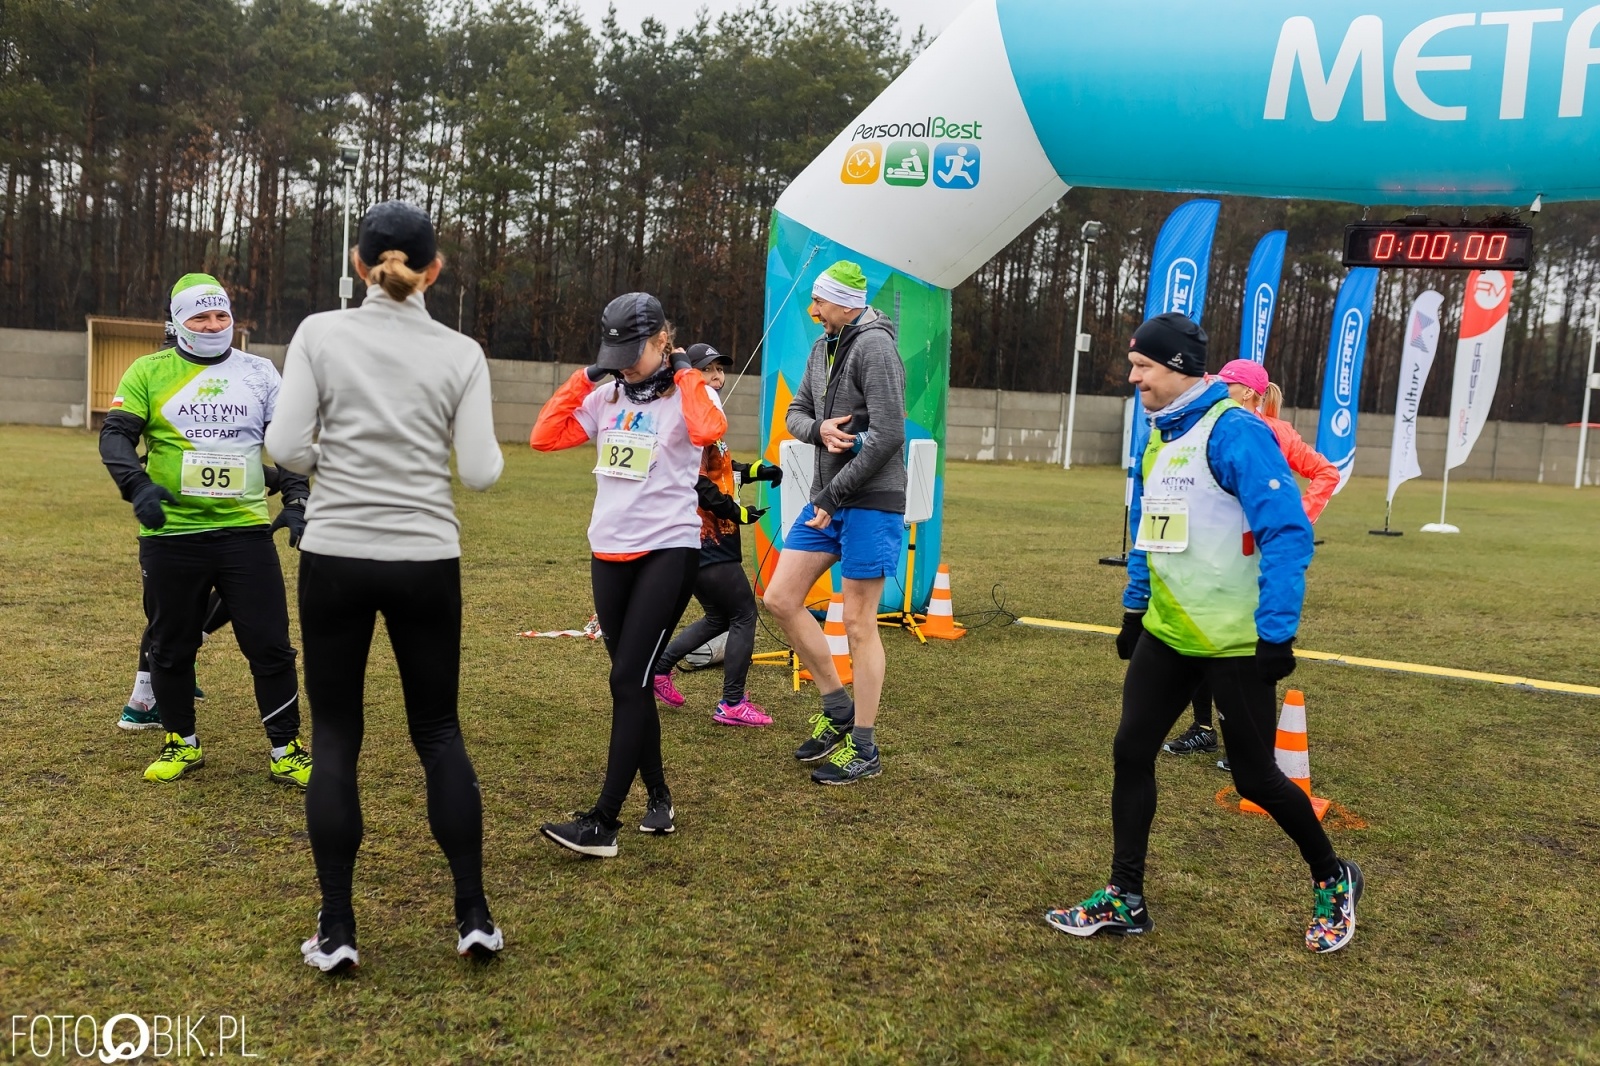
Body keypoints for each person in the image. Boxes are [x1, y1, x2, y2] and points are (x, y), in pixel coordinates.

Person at [1045, 313, 1362, 954]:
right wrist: (1135, 609)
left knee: (1256, 779)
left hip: (1235, 642)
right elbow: (1151, 529)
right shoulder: (1159, 434)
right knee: (1131, 751)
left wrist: (1277, 634)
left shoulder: (1235, 431)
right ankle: (1125, 897)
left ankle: (1334, 878)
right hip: (1169, 633)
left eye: (1143, 366)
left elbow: (1287, 532)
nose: (1132, 377)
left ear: (1180, 368)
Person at [267, 200, 507, 973]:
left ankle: (338, 927)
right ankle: (473, 915)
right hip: (425, 558)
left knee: (337, 736)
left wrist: (337, 458)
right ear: (434, 270)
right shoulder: (461, 352)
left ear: (360, 265)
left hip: (335, 554)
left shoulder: (319, 333)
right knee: (438, 733)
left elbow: (286, 445)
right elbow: (481, 472)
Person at [530, 292, 727, 857]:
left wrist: (685, 372)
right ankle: (659, 796)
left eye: (631, 352)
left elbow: (708, 429)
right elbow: (544, 435)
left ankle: (603, 823)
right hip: (608, 553)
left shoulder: (690, 392)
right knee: (633, 681)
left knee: (626, 680)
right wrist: (586, 376)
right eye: (612, 353)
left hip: (668, 550)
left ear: (662, 339)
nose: (621, 364)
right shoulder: (607, 394)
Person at [99, 273, 312, 788]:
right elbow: (115, 436)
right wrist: (137, 486)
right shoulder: (148, 371)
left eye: (221, 315)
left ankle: (286, 750)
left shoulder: (259, 372)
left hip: (244, 533)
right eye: (200, 316)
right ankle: (181, 742)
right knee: (171, 646)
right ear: (177, 322)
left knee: (270, 646)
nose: (213, 325)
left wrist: (297, 498)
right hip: (171, 535)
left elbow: (288, 443)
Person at [761, 260, 905, 785]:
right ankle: (836, 707)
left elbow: (889, 434)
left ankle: (864, 748)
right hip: (829, 500)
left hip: (870, 502)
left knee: (859, 623)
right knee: (780, 598)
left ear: (845, 304)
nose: (813, 310)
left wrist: (833, 492)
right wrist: (819, 429)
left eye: (819, 301)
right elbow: (795, 414)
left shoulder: (876, 347)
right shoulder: (823, 345)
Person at [1162, 360, 1340, 768]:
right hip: (1211, 553)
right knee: (1201, 639)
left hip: (1254, 559)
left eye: (1227, 384)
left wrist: (1295, 517)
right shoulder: (1209, 426)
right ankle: (1203, 730)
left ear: (1248, 393)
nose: (1218, 389)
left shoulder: (1277, 432)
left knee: (1244, 649)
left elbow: (1326, 472)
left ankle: (1249, 746)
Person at [651, 343, 782, 727]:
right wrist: (736, 512)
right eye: (708, 370)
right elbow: (697, 482)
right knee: (743, 613)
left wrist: (756, 470)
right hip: (704, 536)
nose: (718, 377)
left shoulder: (706, 415)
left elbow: (721, 466)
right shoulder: (690, 416)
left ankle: (659, 670)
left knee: (719, 616)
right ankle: (732, 703)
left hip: (708, 536)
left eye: (721, 370)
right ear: (689, 375)